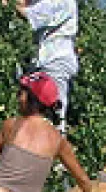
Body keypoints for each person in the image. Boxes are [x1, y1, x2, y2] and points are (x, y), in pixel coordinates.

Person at [15, 0, 79, 131]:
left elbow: (29, 15)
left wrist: (9, 4)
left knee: (51, 116)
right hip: (42, 61)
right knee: (31, 113)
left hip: (55, 62)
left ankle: (54, 140)